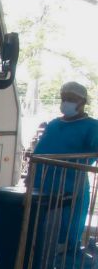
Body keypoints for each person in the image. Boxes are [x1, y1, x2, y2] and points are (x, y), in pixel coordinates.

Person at [32, 81, 98, 250]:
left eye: (70, 98)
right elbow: (39, 152)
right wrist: (32, 177)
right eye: (63, 98)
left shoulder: (92, 127)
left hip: (71, 188)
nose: (65, 102)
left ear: (82, 102)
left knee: (65, 236)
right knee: (37, 236)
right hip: (42, 185)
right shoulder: (54, 124)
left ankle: (66, 253)